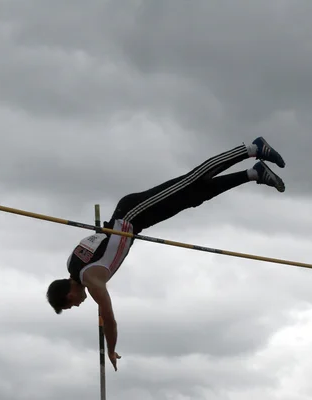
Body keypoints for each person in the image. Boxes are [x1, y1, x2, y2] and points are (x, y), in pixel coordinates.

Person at [46, 136, 286, 371]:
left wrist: (111, 348)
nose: (76, 306)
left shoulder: (92, 280)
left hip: (132, 214)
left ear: (68, 296)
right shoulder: (72, 262)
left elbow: (109, 320)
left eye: (70, 306)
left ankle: (253, 148)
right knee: (194, 196)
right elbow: (99, 238)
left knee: (192, 180)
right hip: (134, 219)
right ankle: (254, 173)